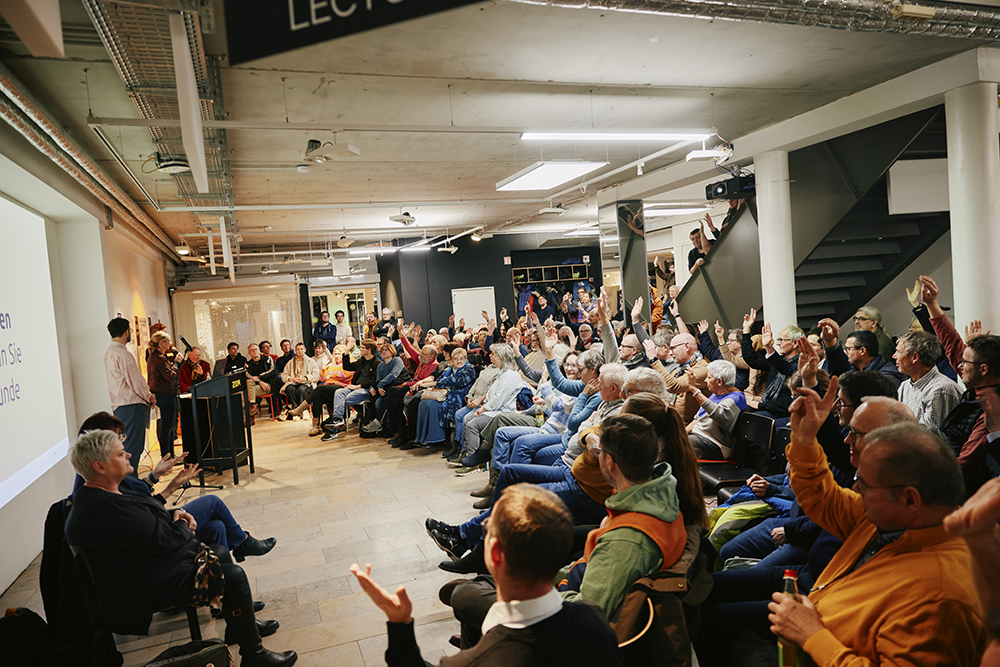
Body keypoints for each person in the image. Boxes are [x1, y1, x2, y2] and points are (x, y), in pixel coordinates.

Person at [765, 375, 987, 667]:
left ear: (910, 499)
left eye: (866, 485)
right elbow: (824, 498)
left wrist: (812, 634)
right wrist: (804, 440)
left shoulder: (940, 595)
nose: (856, 489)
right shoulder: (891, 519)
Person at [65, 430, 296, 666]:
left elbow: (147, 523)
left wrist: (175, 513)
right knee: (234, 576)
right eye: (121, 453)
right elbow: (162, 540)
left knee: (221, 551)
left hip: (145, 569)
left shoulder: (98, 494)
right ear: (100, 467)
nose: (129, 455)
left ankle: (238, 629)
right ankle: (254, 656)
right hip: (141, 587)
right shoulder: (105, 507)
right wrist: (184, 526)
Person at [351, 484, 621, 666]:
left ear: (493, 554)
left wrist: (400, 625)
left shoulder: (473, 662)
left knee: (469, 594)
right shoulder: (594, 621)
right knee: (469, 596)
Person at [921, 274, 1000, 493]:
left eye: (966, 362)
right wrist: (931, 304)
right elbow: (953, 347)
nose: (959, 365)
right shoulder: (982, 384)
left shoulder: (992, 410)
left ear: (983, 369)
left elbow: (966, 462)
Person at [104, 317, 155, 472]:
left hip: (120, 406)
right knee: (133, 449)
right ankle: (132, 488)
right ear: (126, 332)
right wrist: (149, 396)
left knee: (127, 448)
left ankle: (132, 486)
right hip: (131, 406)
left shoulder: (110, 352)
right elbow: (136, 382)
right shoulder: (123, 355)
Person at [894, 330, 962, 435]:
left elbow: (933, 438)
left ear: (915, 357)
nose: (894, 356)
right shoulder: (905, 386)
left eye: (898, 352)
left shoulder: (941, 390)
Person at [685, 359, 747, 460]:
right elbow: (697, 419)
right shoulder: (716, 394)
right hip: (698, 436)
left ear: (719, 381)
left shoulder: (736, 399)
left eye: (709, 377)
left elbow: (718, 414)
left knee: (675, 445)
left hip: (715, 444)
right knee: (669, 438)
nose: (705, 380)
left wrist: (694, 389)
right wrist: (680, 433)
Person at [321, 339, 381, 440]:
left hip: (365, 390)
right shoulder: (361, 361)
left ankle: (334, 428)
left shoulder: (377, 363)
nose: (360, 350)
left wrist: (357, 386)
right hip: (354, 387)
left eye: (362, 348)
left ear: (369, 350)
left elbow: (373, 381)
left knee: (342, 400)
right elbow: (348, 367)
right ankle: (337, 420)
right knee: (339, 392)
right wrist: (347, 351)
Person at [825, 326, 907, 387]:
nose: (845, 352)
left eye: (848, 349)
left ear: (862, 351)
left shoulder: (886, 379)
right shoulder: (853, 371)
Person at [147, 331, 179, 459]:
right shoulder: (159, 358)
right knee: (167, 427)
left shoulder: (153, 357)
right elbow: (170, 377)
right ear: (162, 343)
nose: (170, 344)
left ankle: (169, 456)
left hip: (163, 395)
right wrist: (176, 363)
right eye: (168, 341)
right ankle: (167, 456)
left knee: (168, 427)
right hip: (164, 396)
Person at [281, 342, 320, 420]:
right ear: (295, 351)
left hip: (306, 383)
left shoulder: (311, 361)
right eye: (298, 349)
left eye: (301, 349)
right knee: (289, 388)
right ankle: (296, 410)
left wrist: (305, 378)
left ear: (305, 350)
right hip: (294, 382)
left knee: (302, 389)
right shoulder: (291, 362)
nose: (300, 351)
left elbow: (316, 375)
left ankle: (304, 410)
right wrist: (290, 379)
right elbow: (284, 374)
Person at [245, 343, 277, 409]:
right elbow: (248, 376)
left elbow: (273, 371)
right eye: (252, 350)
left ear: (259, 350)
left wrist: (259, 377)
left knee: (248, 393)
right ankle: (253, 405)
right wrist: (260, 381)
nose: (255, 351)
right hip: (256, 386)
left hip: (268, 385)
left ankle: (251, 413)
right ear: (249, 353)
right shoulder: (247, 364)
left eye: (256, 349)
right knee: (249, 382)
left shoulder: (268, 359)